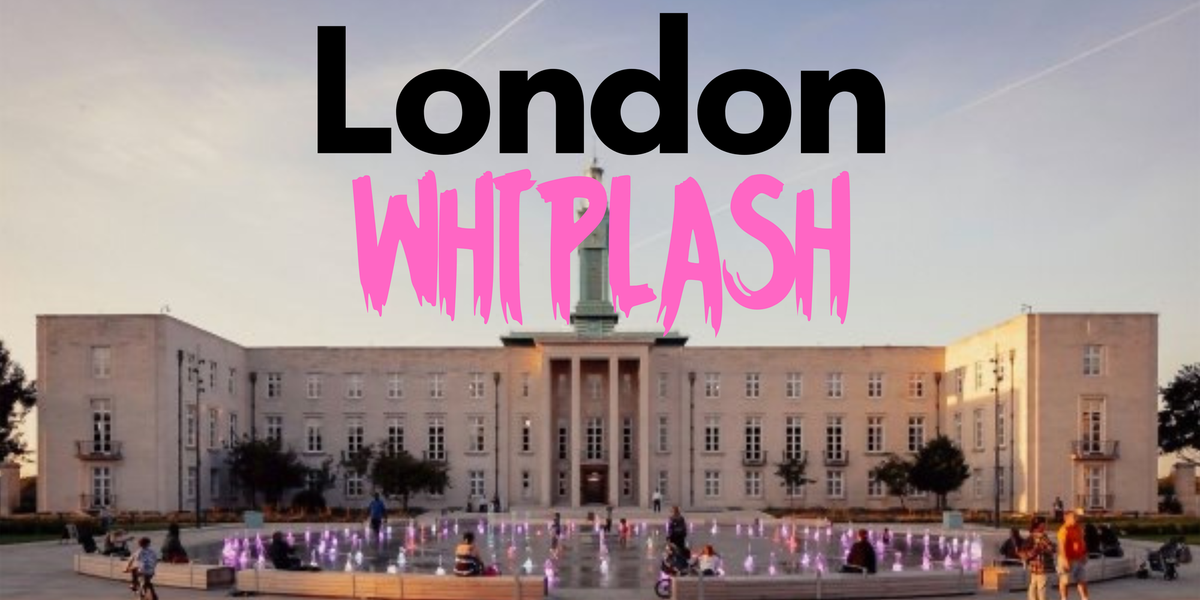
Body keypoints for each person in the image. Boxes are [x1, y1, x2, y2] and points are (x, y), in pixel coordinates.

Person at [1018, 516, 1056, 600]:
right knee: (1041, 586)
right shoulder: (1041, 536)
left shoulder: (1032, 535)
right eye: (1044, 524)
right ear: (1040, 525)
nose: (1046, 525)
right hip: (1041, 564)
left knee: (1033, 584)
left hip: (1033, 564)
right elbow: (1051, 548)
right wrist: (1054, 546)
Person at [1057, 511, 1089, 600]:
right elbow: (1061, 546)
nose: (1076, 519)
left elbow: (1082, 541)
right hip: (1067, 559)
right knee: (1064, 581)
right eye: (1074, 517)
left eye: (1076, 517)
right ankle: (1064, 598)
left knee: (1082, 580)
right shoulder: (1063, 530)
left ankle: (1085, 598)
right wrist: (1065, 560)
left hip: (1079, 559)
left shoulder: (1078, 528)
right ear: (1066, 519)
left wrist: (1085, 553)